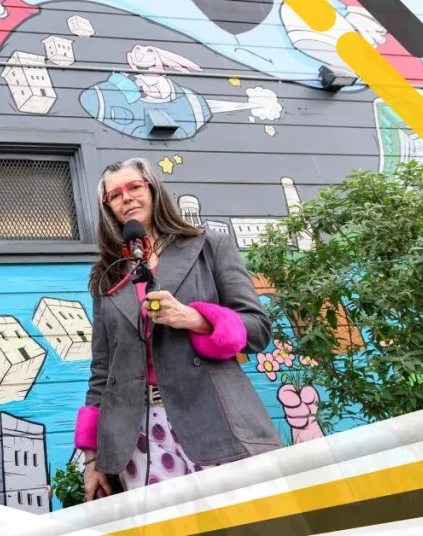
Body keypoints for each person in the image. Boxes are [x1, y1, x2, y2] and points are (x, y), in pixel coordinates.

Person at [75, 157, 281, 500]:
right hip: (139, 436)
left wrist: (194, 319)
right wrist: (91, 458)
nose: (126, 198)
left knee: (247, 518)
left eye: (134, 187)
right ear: (108, 208)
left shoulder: (209, 246)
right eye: (115, 195)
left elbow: (257, 330)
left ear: (153, 190)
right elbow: (101, 370)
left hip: (214, 417)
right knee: (168, 523)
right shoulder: (107, 277)